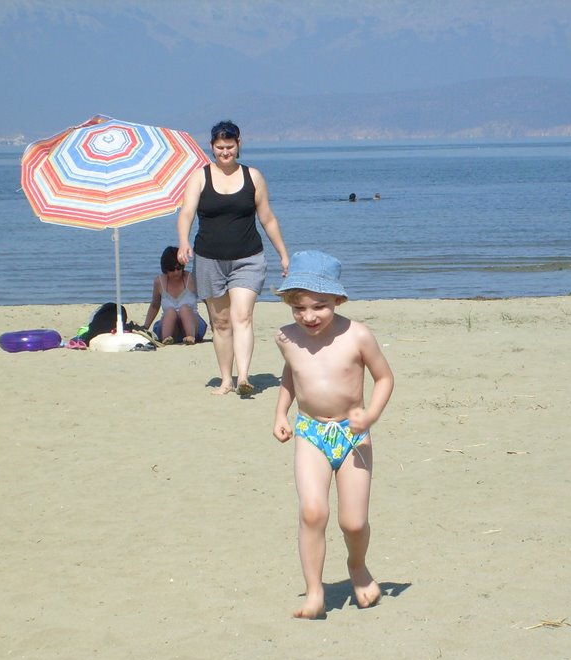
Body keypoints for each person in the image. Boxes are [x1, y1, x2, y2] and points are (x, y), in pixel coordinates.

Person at [272, 251, 394, 619]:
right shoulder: (286, 337)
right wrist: (280, 411)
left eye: (319, 306)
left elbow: (384, 378)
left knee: (352, 521)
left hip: (353, 436)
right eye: (299, 307)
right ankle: (314, 592)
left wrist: (370, 414)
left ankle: (357, 566)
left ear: (338, 300)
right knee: (312, 512)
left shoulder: (358, 335)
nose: (308, 316)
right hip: (310, 432)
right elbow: (292, 373)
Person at [177, 120, 290, 395]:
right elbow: (186, 213)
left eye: (229, 147)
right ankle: (226, 379)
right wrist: (182, 243)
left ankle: (243, 377)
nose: (225, 152)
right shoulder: (200, 177)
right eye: (219, 147)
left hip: (248, 258)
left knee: (243, 316)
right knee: (221, 322)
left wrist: (283, 254)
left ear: (239, 145)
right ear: (212, 148)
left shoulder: (253, 177)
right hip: (208, 259)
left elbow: (267, 218)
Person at [144, 246, 205, 345]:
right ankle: (166, 339)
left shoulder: (191, 279)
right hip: (170, 325)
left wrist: (215, 323)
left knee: (184, 308)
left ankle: (190, 337)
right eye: (172, 269)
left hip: (192, 323)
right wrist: (145, 327)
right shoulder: (159, 282)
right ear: (166, 269)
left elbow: (207, 300)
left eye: (179, 268)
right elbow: (154, 306)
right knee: (170, 312)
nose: (176, 272)